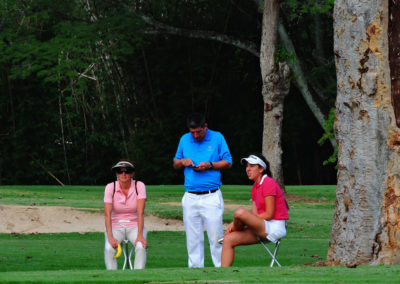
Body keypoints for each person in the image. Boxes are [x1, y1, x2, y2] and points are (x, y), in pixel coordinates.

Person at [173, 112, 233, 268]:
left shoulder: (217, 137)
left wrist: (210, 165)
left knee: (216, 236)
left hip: (211, 195)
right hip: (190, 196)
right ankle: (195, 271)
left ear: (205, 126)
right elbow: (175, 163)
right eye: (192, 132)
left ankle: (220, 269)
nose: (195, 135)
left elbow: (228, 162)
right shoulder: (184, 139)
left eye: (198, 131)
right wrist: (183, 161)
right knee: (193, 238)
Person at [220, 153, 289, 267]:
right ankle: (222, 276)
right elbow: (255, 215)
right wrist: (246, 222)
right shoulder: (255, 188)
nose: (248, 169)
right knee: (228, 239)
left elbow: (269, 214)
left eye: (252, 166)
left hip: (274, 228)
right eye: (247, 166)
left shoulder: (268, 183)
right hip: (262, 226)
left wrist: (236, 223)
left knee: (240, 213)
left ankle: (234, 227)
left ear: (261, 169)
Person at [103, 159, 147, 270]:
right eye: (120, 171)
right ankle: (112, 277)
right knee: (109, 248)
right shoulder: (110, 187)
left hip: (135, 225)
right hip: (116, 226)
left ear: (132, 173)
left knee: (141, 246)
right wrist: (110, 237)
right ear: (116, 173)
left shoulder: (139, 186)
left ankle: (139, 277)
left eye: (127, 171)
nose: (123, 174)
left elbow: (140, 212)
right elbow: (107, 214)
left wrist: (140, 235)